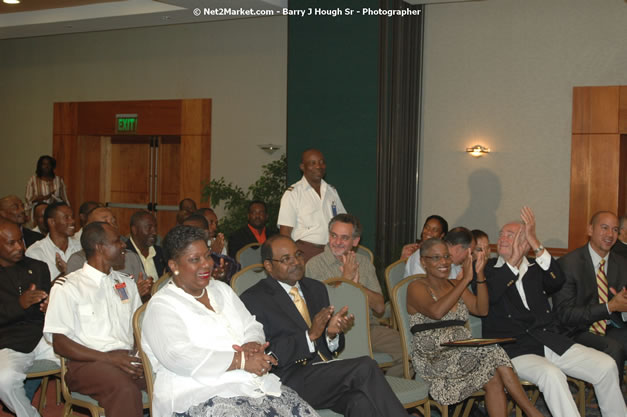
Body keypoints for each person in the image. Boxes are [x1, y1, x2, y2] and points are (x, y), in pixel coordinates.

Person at [141, 226, 319, 417]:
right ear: (174, 266)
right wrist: (240, 361)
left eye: (207, 256)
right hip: (195, 395)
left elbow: (252, 324)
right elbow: (179, 356)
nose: (206, 264)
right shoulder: (162, 306)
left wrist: (251, 344)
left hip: (248, 385)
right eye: (195, 260)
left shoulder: (221, 290)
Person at [241, 235, 408, 417]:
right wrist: (309, 336)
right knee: (365, 367)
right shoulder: (254, 299)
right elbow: (268, 353)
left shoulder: (316, 288)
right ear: (268, 266)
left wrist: (331, 334)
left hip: (325, 373)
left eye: (297, 255)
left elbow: (329, 346)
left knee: (360, 402)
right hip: (287, 379)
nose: (296, 262)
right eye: (286, 259)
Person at [483, 207, 625, 417]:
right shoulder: (487, 269)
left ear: (525, 241)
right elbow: (493, 294)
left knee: (606, 365)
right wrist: (512, 260)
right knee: (552, 374)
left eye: (511, 235)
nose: (503, 238)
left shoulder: (533, 267)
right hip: (512, 348)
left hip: (547, 340)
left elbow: (556, 280)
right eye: (501, 234)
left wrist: (535, 242)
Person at [407, 237, 542, 417]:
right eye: (436, 258)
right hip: (435, 357)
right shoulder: (416, 286)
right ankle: (532, 412)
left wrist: (479, 276)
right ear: (424, 262)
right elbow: (436, 312)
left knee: (492, 376)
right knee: (493, 351)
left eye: (447, 257)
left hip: (463, 350)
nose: (444, 262)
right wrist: (465, 281)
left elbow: (481, 309)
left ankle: (531, 413)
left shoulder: (454, 284)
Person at [43, 221, 145, 417]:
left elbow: (138, 330)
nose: (123, 245)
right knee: (125, 391)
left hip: (126, 359)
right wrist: (110, 359)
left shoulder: (126, 283)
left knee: (167, 379)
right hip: (87, 363)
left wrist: (138, 356)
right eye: (117, 241)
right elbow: (60, 344)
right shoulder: (69, 287)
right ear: (100, 247)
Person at [306, 214, 404, 377]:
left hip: (368, 327)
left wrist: (357, 285)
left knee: (408, 349)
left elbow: (379, 307)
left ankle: (383, 394)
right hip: (332, 332)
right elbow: (320, 309)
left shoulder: (363, 262)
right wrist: (345, 279)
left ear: (355, 241)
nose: (337, 242)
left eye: (344, 238)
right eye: (334, 236)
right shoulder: (314, 265)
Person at [554, 211, 627, 383]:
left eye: (615, 230)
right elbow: (565, 314)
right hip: (576, 331)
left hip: (612, 326)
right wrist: (610, 307)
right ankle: (612, 405)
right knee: (614, 348)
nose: (610, 234)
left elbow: (621, 304)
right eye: (604, 228)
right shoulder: (568, 264)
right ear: (589, 230)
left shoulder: (621, 264)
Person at [0, 218, 58, 417]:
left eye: (21, 240)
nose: (20, 247)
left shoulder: (38, 267)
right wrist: (19, 304)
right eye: (11, 243)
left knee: (87, 361)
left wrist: (49, 306)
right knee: (3, 380)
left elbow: (49, 305)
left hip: (44, 336)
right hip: (10, 341)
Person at [65, 207, 151, 298]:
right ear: (91, 231)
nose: (112, 226)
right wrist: (133, 294)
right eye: (105, 222)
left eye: (114, 222)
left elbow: (131, 301)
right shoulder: (78, 260)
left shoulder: (129, 257)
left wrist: (139, 292)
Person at [277, 149, 346, 262]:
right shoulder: (293, 194)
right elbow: (285, 233)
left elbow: (343, 221)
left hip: (332, 251)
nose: (318, 166)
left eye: (321, 162)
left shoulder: (331, 191)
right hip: (305, 252)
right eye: (312, 163)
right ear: (302, 167)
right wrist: (291, 259)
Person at [25, 202, 80, 281]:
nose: (72, 221)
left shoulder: (81, 247)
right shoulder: (35, 252)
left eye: (72, 217)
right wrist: (64, 273)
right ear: (52, 222)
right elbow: (40, 290)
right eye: (66, 217)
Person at [182, 214, 240, 284]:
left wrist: (213, 255)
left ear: (205, 233)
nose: (184, 236)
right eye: (183, 232)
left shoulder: (230, 264)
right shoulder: (177, 257)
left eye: (190, 232)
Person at [404, 226, 474, 278]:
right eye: (470, 253)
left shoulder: (454, 263)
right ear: (458, 249)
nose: (470, 257)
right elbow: (431, 295)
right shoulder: (425, 256)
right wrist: (459, 283)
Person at [125, 211, 166, 280]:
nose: (154, 232)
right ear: (134, 230)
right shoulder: (123, 254)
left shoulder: (161, 252)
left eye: (155, 227)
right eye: (149, 227)